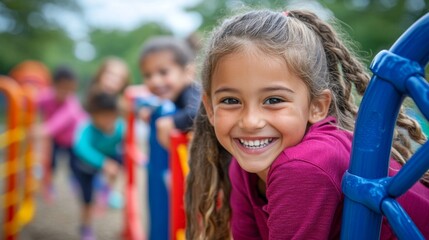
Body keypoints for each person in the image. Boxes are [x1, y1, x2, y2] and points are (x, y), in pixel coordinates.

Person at [185, 9, 429, 239]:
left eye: (273, 100)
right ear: (210, 107)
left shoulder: (304, 165)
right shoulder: (244, 166)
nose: (250, 122)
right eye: (230, 100)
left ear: (317, 106)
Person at [138, 36, 201, 240]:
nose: (155, 81)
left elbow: (198, 112)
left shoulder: (191, 92)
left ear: (188, 72)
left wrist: (171, 122)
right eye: (148, 75)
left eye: (163, 72)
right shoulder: (171, 97)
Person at [73, 91, 126, 240]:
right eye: (103, 117)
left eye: (112, 116)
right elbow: (81, 148)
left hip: (108, 157)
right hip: (86, 165)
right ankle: (86, 226)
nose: (108, 121)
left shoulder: (120, 127)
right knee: (87, 199)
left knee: (118, 164)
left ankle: (106, 190)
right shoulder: (87, 129)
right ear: (93, 115)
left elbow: (128, 140)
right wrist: (103, 163)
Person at [32, 66, 86, 200]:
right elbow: (33, 101)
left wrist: (43, 130)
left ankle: (76, 182)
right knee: (51, 163)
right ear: (54, 85)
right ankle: (48, 185)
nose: (66, 93)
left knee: (74, 165)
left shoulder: (72, 105)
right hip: (56, 139)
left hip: (73, 140)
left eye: (70, 90)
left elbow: (58, 122)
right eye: (62, 88)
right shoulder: (46, 96)